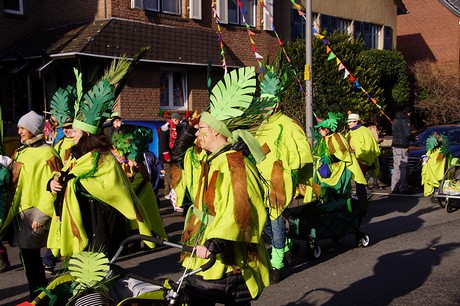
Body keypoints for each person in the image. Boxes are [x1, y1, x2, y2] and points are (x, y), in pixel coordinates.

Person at [172, 67, 270, 305]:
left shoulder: (233, 164)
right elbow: (182, 160)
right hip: (205, 245)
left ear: (215, 131)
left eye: (202, 130)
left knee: (224, 294)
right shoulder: (211, 159)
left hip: (224, 250)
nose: (198, 136)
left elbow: (240, 209)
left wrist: (215, 242)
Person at [47, 65, 157, 258]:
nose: (72, 136)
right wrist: (53, 183)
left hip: (103, 225)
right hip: (85, 222)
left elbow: (110, 188)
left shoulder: (104, 158)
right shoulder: (76, 155)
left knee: (101, 274)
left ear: (86, 134)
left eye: (76, 132)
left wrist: (70, 182)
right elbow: (64, 174)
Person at [255, 80, 313, 283]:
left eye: (267, 104)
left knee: (276, 220)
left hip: (279, 181)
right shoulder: (262, 125)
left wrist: (292, 174)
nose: (263, 109)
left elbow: (304, 152)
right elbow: (260, 150)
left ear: (277, 105)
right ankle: (287, 246)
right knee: (263, 222)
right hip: (260, 181)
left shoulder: (289, 125)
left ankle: (277, 263)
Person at [0, 111, 61, 300]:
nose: (18, 131)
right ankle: (38, 296)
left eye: (22, 128)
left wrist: (42, 215)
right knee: (27, 260)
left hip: (33, 215)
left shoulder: (48, 154)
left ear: (33, 129)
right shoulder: (21, 151)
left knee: (32, 261)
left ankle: (39, 298)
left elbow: (56, 185)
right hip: (18, 213)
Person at [112, 126, 168, 240]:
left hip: (143, 205)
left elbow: (132, 188)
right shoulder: (130, 169)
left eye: (129, 160)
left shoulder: (140, 174)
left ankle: (151, 240)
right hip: (140, 206)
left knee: (146, 225)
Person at [313, 113, 366, 216]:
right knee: (326, 194)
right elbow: (316, 153)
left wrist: (330, 158)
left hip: (339, 172)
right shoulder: (322, 140)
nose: (319, 131)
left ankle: (345, 208)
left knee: (339, 194)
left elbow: (344, 153)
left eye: (321, 129)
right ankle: (332, 212)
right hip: (325, 173)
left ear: (327, 129)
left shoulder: (337, 137)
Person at [346, 113, 381, 204]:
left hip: (361, 161)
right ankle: (360, 198)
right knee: (358, 181)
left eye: (350, 122)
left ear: (356, 122)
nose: (348, 124)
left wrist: (356, 150)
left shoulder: (364, 131)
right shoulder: (350, 132)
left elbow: (369, 147)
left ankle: (361, 200)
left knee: (360, 181)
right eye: (348, 122)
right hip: (353, 160)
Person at [159, 112, 182, 199]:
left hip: (174, 155)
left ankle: (173, 190)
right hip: (167, 156)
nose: (179, 122)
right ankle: (167, 192)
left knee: (174, 174)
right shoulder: (165, 128)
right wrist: (167, 156)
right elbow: (163, 144)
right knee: (168, 174)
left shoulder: (176, 128)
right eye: (178, 120)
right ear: (175, 120)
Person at [421, 133, 451, 198]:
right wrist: (426, 159)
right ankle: (435, 193)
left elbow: (439, 160)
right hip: (433, 171)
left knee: (437, 183)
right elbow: (428, 156)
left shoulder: (442, 150)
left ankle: (436, 193)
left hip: (437, 171)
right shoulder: (431, 150)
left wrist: (428, 161)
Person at [391, 107, 413, 194]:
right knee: (403, 166)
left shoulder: (395, 120)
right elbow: (407, 133)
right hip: (403, 145)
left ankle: (394, 186)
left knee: (396, 166)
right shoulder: (405, 119)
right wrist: (413, 138)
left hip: (395, 144)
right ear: (409, 113)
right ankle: (404, 187)